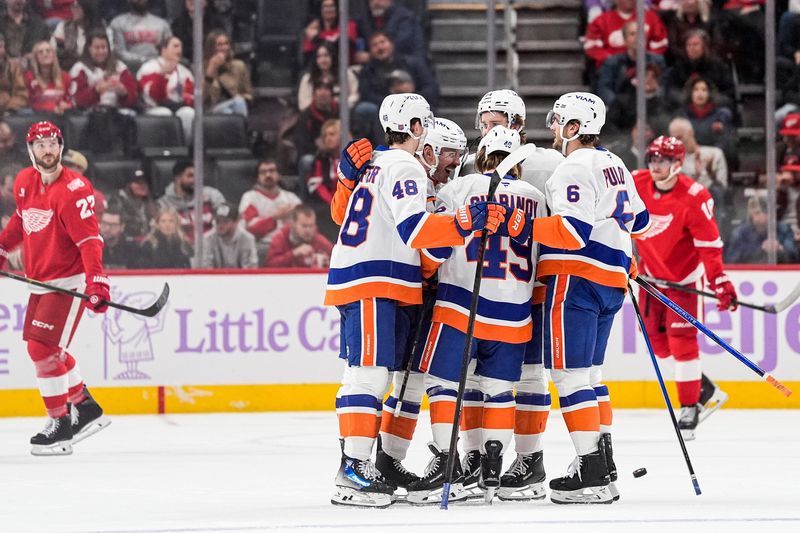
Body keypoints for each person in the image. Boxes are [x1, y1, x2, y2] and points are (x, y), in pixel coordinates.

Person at [326, 93, 505, 508]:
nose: (449, 161)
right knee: (368, 376)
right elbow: (414, 230)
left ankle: (371, 464)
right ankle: (353, 470)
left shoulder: (377, 164)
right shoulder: (405, 166)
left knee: (380, 377)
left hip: (378, 279)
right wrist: (465, 223)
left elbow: (351, 217)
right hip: (376, 277)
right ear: (420, 132)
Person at [405, 126, 547, 505]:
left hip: (460, 305)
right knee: (498, 391)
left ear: (481, 156)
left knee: (442, 382)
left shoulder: (456, 189)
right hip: (515, 313)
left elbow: (434, 254)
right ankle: (492, 472)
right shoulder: (536, 197)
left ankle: (447, 466)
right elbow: (546, 256)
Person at [530, 92, 650, 504]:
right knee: (591, 376)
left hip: (576, 279)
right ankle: (602, 459)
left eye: (557, 120)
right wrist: (615, 240)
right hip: (612, 281)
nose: (552, 128)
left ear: (575, 127)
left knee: (568, 376)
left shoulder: (572, 167)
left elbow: (573, 232)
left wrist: (524, 224)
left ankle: (592, 473)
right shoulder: (615, 162)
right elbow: (641, 219)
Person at [0, 121, 112, 456]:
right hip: (41, 281)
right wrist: (3, 248)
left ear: (61, 147)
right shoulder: (24, 182)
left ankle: (60, 424)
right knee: (47, 349)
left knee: (41, 349)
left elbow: (90, 240)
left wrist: (97, 280)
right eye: (40, 144)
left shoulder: (74, 189)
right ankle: (85, 406)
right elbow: (22, 220)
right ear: (30, 149)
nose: (47, 150)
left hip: (67, 281)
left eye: (52, 143)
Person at [373, 116, 468, 493]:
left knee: (410, 382)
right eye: (449, 153)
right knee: (402, 380)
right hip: (412, 290)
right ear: (428, 148)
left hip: (422, 291)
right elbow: (425, 245)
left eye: (459, 155)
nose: (454, 162)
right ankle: (388, 458)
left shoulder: (434, 184)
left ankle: (390, 459)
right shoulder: (410, 179)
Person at [632, 136, 737, 440]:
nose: (656, 166)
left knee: (681, 341)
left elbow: (709, 245)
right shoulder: (637, 184)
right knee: (656, 342)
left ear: (678, 163)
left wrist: (719, 280)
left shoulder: (695, 196)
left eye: (663, 160)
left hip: (683, 283)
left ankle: (690, 405)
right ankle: (702, 387)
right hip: (650, 279)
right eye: (652, 159)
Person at [238, 158, 302, 263]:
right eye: (263, 172)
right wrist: (275, 217)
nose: (268, 175)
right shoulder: (250, 198)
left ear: (279, 175)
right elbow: (249, 231)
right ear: (258, 177)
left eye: (272, 171)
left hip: (288, 246)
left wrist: (290, 222)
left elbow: (305, 227)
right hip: (261, 246)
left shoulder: (291, 199)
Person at [137, 35, 195, 142]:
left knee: (188, 113)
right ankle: (166, 152)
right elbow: (152, 95)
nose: (180, 50)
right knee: (165, 113)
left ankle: (186, 150)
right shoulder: (149, 68)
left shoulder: (184, 71)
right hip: (153, 108)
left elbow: (192, 97)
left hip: (178, 107)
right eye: (175, 46)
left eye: (181, 47)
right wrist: (162, 75)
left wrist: (185, 100)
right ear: (163, 50)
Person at [583, 0, 668, 69]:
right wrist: (611, 60)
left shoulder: (651, 18)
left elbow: (660, 44)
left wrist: (646, 58)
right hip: (613, 69)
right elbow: (592, 47)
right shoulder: (601, 20)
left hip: (645, 67)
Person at [157, 159, 225, 243]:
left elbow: (226, 220)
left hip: (210, 249)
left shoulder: (212, 195)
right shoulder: (164, 203)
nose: (194, 180)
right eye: (190, 176)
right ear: (178, 178)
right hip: (180, 250)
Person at [69, 29, 138, 111]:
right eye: (97, 48)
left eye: (104, 47)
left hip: (117, 113)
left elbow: (134, 99)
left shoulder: (120, 67)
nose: (101, 51)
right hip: (90, 114)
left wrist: (124, 93)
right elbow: (76, 101)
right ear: (88, 49)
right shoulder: (79, 68)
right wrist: (96, 90)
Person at [726, 196, 799, 264]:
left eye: (770, 212)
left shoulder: (784, 229)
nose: (769, 215)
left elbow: (794, 255)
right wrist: (760, 250)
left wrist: (781, 249)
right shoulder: (741, 232)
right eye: (758, 212)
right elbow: (731, 258)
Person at [355, 0, 427, 65]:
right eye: (372, 0)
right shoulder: (364, 19)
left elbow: (397, 47)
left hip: (404, 66)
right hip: (374, 69)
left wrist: (371, 57)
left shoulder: (405, 18)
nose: (376, 3)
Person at [109, 0, 172, 73]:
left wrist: (155, 62)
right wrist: (143, 60)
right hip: (129, 69)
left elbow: (170, 48)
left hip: (158, 68)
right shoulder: (118, 23)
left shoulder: (162, 24)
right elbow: (119, 52)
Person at [202, 29, 252, 116]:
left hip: (235, 105)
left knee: (236, 104)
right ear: (211, 48)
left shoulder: (238, 66)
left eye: (226, 43)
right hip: (211, 110)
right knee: (227, 111)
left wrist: (242, 98)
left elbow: (248, 93)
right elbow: (201, 98)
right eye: (219, 45)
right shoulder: (201, 68)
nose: (224, 48)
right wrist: (211, 70)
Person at [297, 41, 358, 112]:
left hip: (342, 113)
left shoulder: (346, 74)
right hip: (315, 116)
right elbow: (303, 104)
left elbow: (355, 94)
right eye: (319, 57)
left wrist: (341, 106)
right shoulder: (307, 78)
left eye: (326, 55)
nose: (323, 60)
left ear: (333, 56)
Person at [265, 204, 332, 268]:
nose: (308, 230)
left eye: (311, 226)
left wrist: (326, 263)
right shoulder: (280, 238)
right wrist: (294, 253)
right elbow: (270, 265)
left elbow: (336, 258)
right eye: (304, 226)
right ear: (292, 223)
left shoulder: (320, 241)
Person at [50, 0, 108, 71]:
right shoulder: (63, 26)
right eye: (72, 7)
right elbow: (52, 50)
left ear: (87, 8)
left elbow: (106, 54)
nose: (73, 10)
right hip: (67, 69)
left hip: (95, 69)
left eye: (76, 7)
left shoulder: (102, 29)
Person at [201, 202, 258, 269]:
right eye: (217, 221)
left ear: (236, 221)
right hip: (215, 279)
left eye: (225, 221)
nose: (220, 225)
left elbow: (250, 270)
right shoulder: (208, 238)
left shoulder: (247, 239)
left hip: (241, 278)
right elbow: (206, 268)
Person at [106, 168, 158, 240]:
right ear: (129, 185)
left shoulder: (149, 202)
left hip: (147, 242)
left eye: (144, 182)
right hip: (125, 242)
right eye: (138, 183)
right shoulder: (118, 200)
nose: (142, 186)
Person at [301, 0, 358, 66]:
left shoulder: (348, 25)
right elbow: (308, 59)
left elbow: (341, 48)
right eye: (325, 6)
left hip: (344, 69)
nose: (328, 9)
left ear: (337, 8)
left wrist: (316, 39)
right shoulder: (313, 31)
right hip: (320, 72)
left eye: (331, 6)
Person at [24, 40, 73, 114]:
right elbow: (29, 102)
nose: (45, 54)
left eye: (48, 51)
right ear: (36, 58)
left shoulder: (66, 77)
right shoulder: (29, 77)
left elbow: (71, 100)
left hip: (61, 117)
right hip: (36, 117)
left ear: (54, 55)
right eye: (40, 52)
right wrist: (52, 108)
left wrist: (67, 105)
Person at [0, 32, 28, 114]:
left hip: (7, 109)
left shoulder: (14, 66)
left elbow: (21, 93)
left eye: (0, 47)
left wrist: (10, 109)